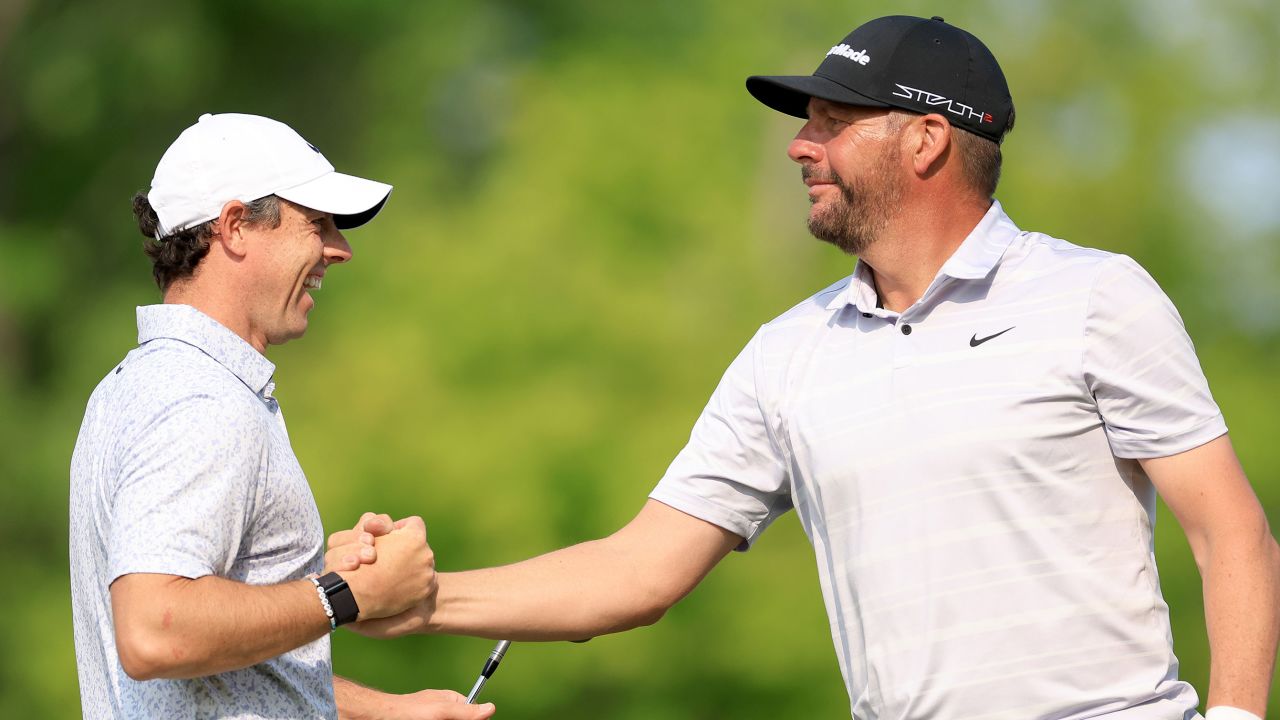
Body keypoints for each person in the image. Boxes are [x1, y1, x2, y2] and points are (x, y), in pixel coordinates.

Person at [333, 15, 1280, 720]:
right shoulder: (788, 352)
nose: (799, 144)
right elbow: (637, 572)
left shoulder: (1096, 297)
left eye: (832, 122)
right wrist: (417, 602)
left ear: (926, 139)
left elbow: (1234, 538)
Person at [69, 113, 496, 720]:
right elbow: (156, 631)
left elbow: (208, 663)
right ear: (236, 227)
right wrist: (349, 595)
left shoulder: (142, 385)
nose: (340, 249)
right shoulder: (198, 398)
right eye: (316, 223)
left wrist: (383, 712)